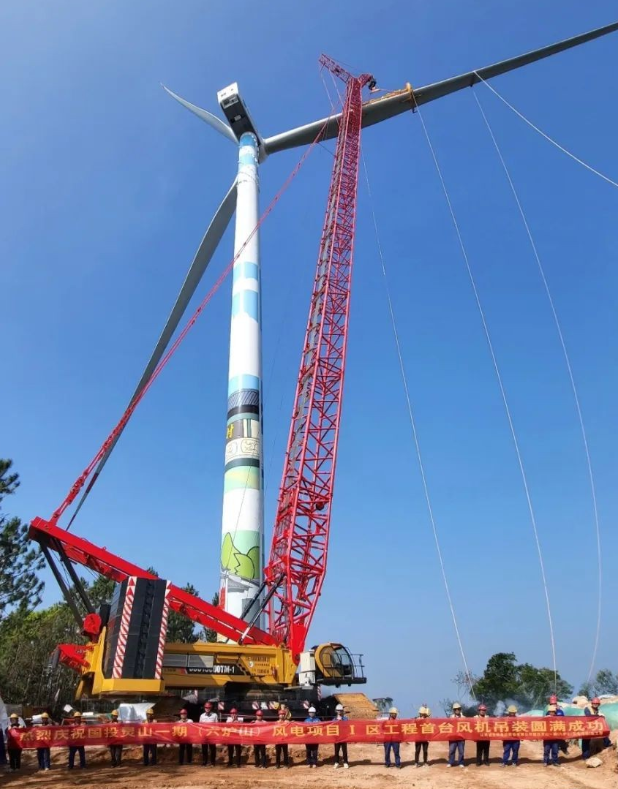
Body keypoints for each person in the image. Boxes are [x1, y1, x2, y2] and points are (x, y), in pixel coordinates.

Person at [199, 701, 218, 767]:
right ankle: (204, 761)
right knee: (204, 749)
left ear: (211, 708)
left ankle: (212, 762)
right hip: (204, 735)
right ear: (204, 708)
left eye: (208, 708)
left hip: (212, 734)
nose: (207, 709)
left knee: (212, 749)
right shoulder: (202, 716)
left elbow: (217, 725)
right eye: (206, 708)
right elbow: (199, 725)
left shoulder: (214, 715)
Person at [447, 703, 465, 768]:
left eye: (458, 709)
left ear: (460, 709)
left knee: (461, 751)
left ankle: (461, 762)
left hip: (461, 737)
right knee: (451, 750)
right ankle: (451, 762)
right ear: (454, 710)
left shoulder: (464, 717)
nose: (457, 710)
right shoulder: (451, 717)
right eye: (456, 709)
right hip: (453, 736)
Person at [332, 703, 349, 769]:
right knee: (336, 751)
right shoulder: (334, 719)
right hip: (336, 737)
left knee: (344, 750)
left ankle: (345, 762)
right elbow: (331, 727)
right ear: (336, 711)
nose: (339, 712)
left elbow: (348, 726)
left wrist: (341, 720)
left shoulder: (345, 718)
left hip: (344, 737)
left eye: (340, 710)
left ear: (342, 711)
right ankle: (336, 762)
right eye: (338, 710)